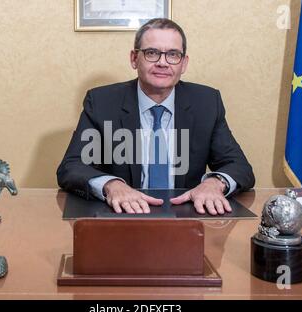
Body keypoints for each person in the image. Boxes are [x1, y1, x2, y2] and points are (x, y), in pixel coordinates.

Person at [57, 18, 255, 215]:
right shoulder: (102, 102)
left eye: (173, 54)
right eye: (152, 53)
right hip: (122, 217)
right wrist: (112, 185)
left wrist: (215, 183)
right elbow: (72, 167)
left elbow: (239, 166)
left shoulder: (206, 102)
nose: (162, 62)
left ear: (184, 63)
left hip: (187, 220)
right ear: (134, 59)